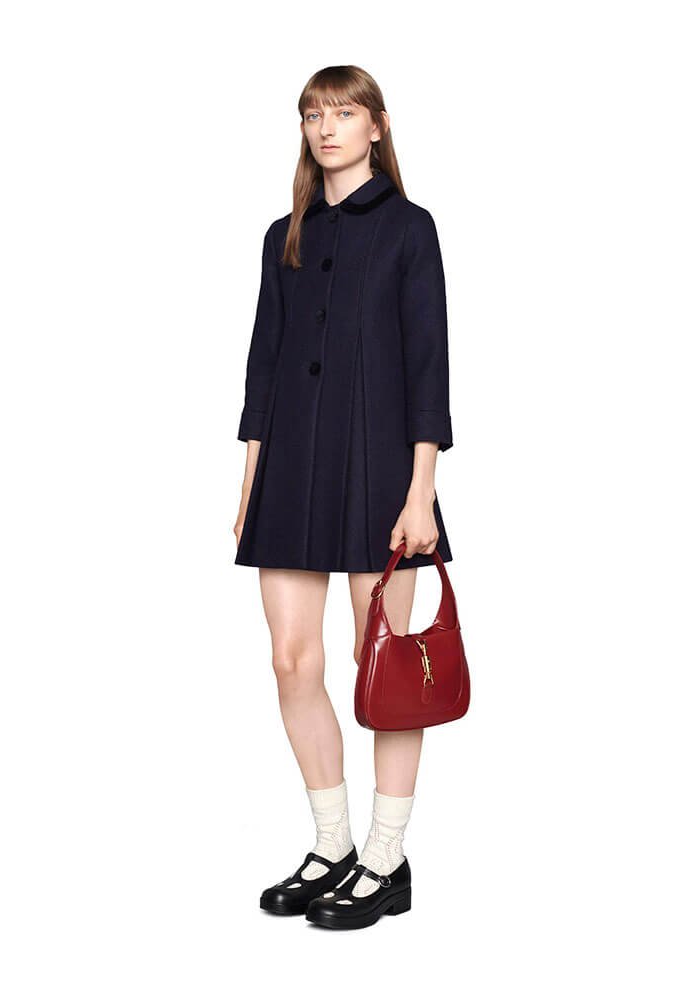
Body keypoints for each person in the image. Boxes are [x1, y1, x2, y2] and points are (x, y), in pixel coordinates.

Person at [233, 65, 455, 930]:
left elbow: (429, 365)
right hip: (290, 468)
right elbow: (263, 363)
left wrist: (421, 491)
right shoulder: (282, 234)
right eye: (313, 114)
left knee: (384, 667)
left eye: (344, 112)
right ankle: (332, 844)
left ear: (377, 126)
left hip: (379, 469)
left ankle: (386, 858)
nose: (326, 127)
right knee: (292, 661)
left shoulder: (409, 228)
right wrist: (250, 484)